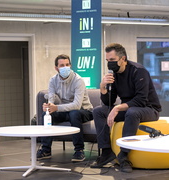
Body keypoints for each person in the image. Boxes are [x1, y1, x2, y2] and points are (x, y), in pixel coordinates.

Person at [90, 43, 161, 172]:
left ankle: (124, 155)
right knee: (98, 111)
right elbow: (109, 103)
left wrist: (117, 108)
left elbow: (141, 100)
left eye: (112, 60)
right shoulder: (115, 74)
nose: (109, 64)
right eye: (107, 60)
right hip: (128, 109)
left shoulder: (139, 71)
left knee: (132, 112)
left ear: (123, 59)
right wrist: (103, 87)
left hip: (149, 109)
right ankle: (106, 152)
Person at [36, 54, 93, 162]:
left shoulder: (78, 80)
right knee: (46, 115)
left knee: (74, 113)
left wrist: (56, 108)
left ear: (70, 65)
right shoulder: (53, 80)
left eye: (67, 64)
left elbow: (77, 105)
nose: (65, 67)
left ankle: (79, 151)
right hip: (65, 111)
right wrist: (49, 107)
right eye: (62, 65)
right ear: (56, 68)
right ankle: (46, 150)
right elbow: (51, 99)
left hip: (84, 111)